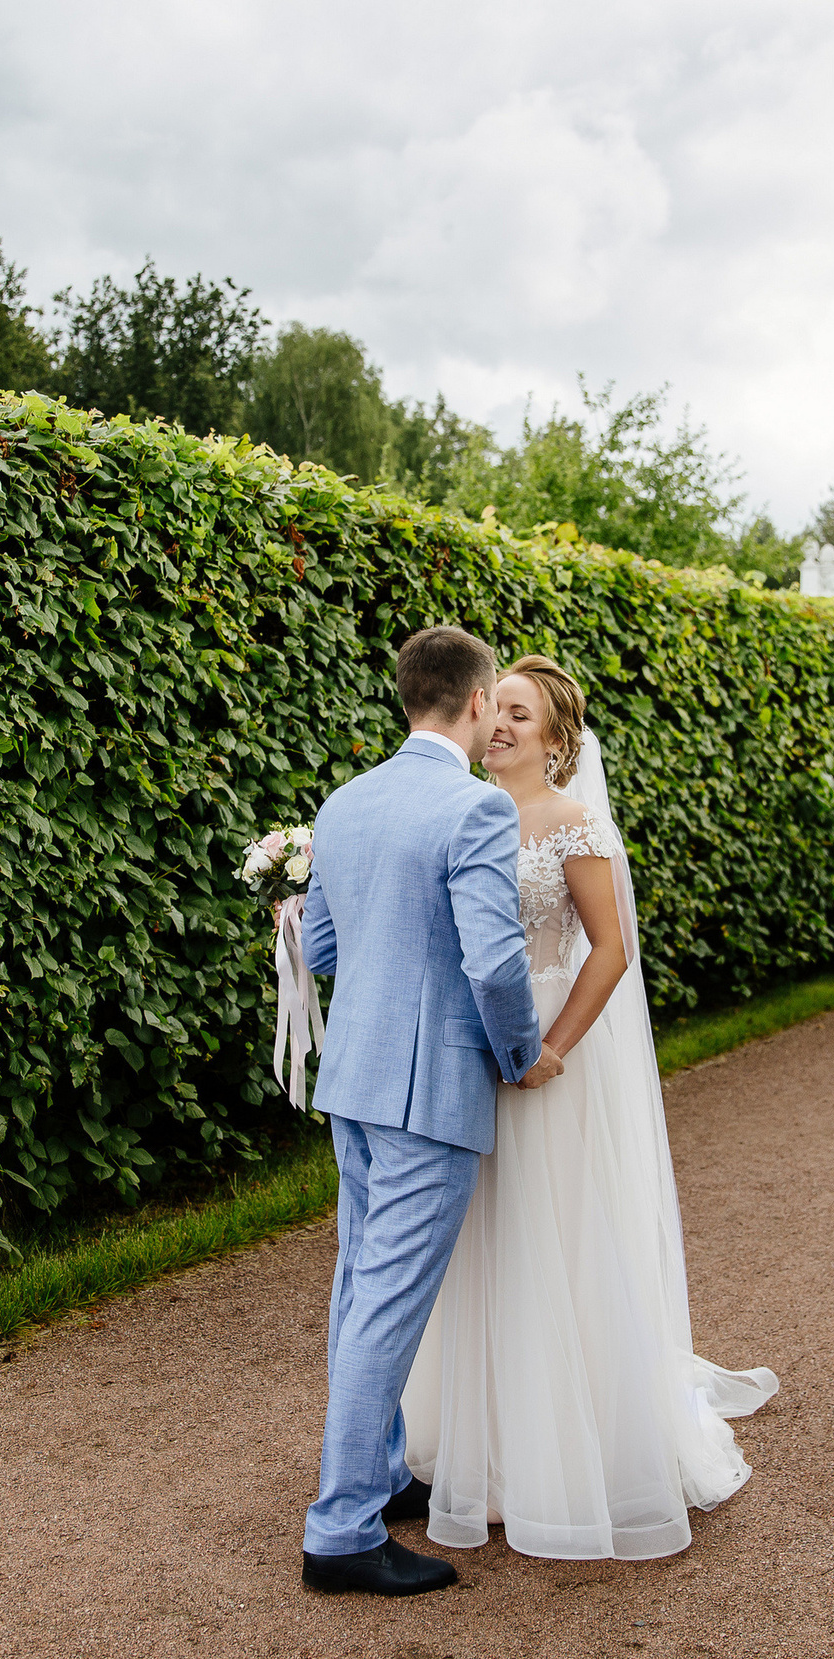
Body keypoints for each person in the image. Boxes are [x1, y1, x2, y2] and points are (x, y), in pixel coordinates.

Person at [401, 654, 778, 1560]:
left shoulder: (575, 825)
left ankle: (568, 1450)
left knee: (557, 1235)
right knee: (478, 1238)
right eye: (497, 711)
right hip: (471, 1058)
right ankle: (475, 1446)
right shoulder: (463, 814)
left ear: (557, 739)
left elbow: (610, 950)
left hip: (548, 1067)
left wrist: (554, 1046)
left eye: (521, 717)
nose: (500, 728)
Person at [293, 626, 560, 1597]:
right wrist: (522, 1056)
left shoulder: (347, 801)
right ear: (480, 700)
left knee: (360, 1284)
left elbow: (321, 948)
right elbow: (493, 963)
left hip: (355, 1082)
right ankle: (340, 1532)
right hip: (428, 1091)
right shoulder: (476, 809)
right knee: (388, 1303)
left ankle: (382, 1476)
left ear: (408, 697)